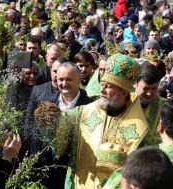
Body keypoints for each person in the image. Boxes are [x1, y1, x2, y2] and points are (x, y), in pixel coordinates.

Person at [59, 54, 150, 189]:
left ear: (124, 92)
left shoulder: (140, 129)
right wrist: (51, 121)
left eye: (108, 87)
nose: (101, 90)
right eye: (102, 85)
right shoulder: (84, 112)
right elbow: (59, 136)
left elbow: (138, 174)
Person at [133, 62, 165, 146]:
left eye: (154, 88)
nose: (149, 94)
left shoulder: (165, 106)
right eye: (146, 88)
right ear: (135, 84)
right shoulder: (124, 104)